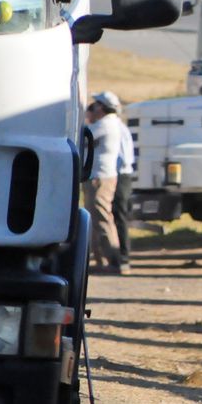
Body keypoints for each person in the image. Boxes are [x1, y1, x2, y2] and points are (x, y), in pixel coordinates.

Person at [84, 92, 125, 274]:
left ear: (101, 107)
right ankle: (101, 259)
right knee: (97, 218)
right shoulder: (112, 123)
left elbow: (83, 138)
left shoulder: (105, 124)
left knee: (101, 218)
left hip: (99, 177)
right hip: (101, 175)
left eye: (94, 105)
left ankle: (113, 260)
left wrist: (87, 118)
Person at [105, 91, 136, 274]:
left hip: (120, 175)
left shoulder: (116, 128)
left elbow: (123, 158)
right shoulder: (118, 126)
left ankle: (123, 257)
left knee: (120, 215)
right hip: (121, 174)